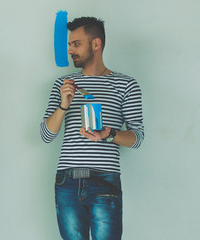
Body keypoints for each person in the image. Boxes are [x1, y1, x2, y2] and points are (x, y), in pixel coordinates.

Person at [40, 17, 145, 240]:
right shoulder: (63, 84)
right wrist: (63, 105)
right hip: (67, 181)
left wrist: (110, 134)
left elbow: (137, 137)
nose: (70, 50)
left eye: (76, 44)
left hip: (105, 180)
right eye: (69, 45)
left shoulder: (126, 84)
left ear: (95, 44)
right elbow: (46, 135)